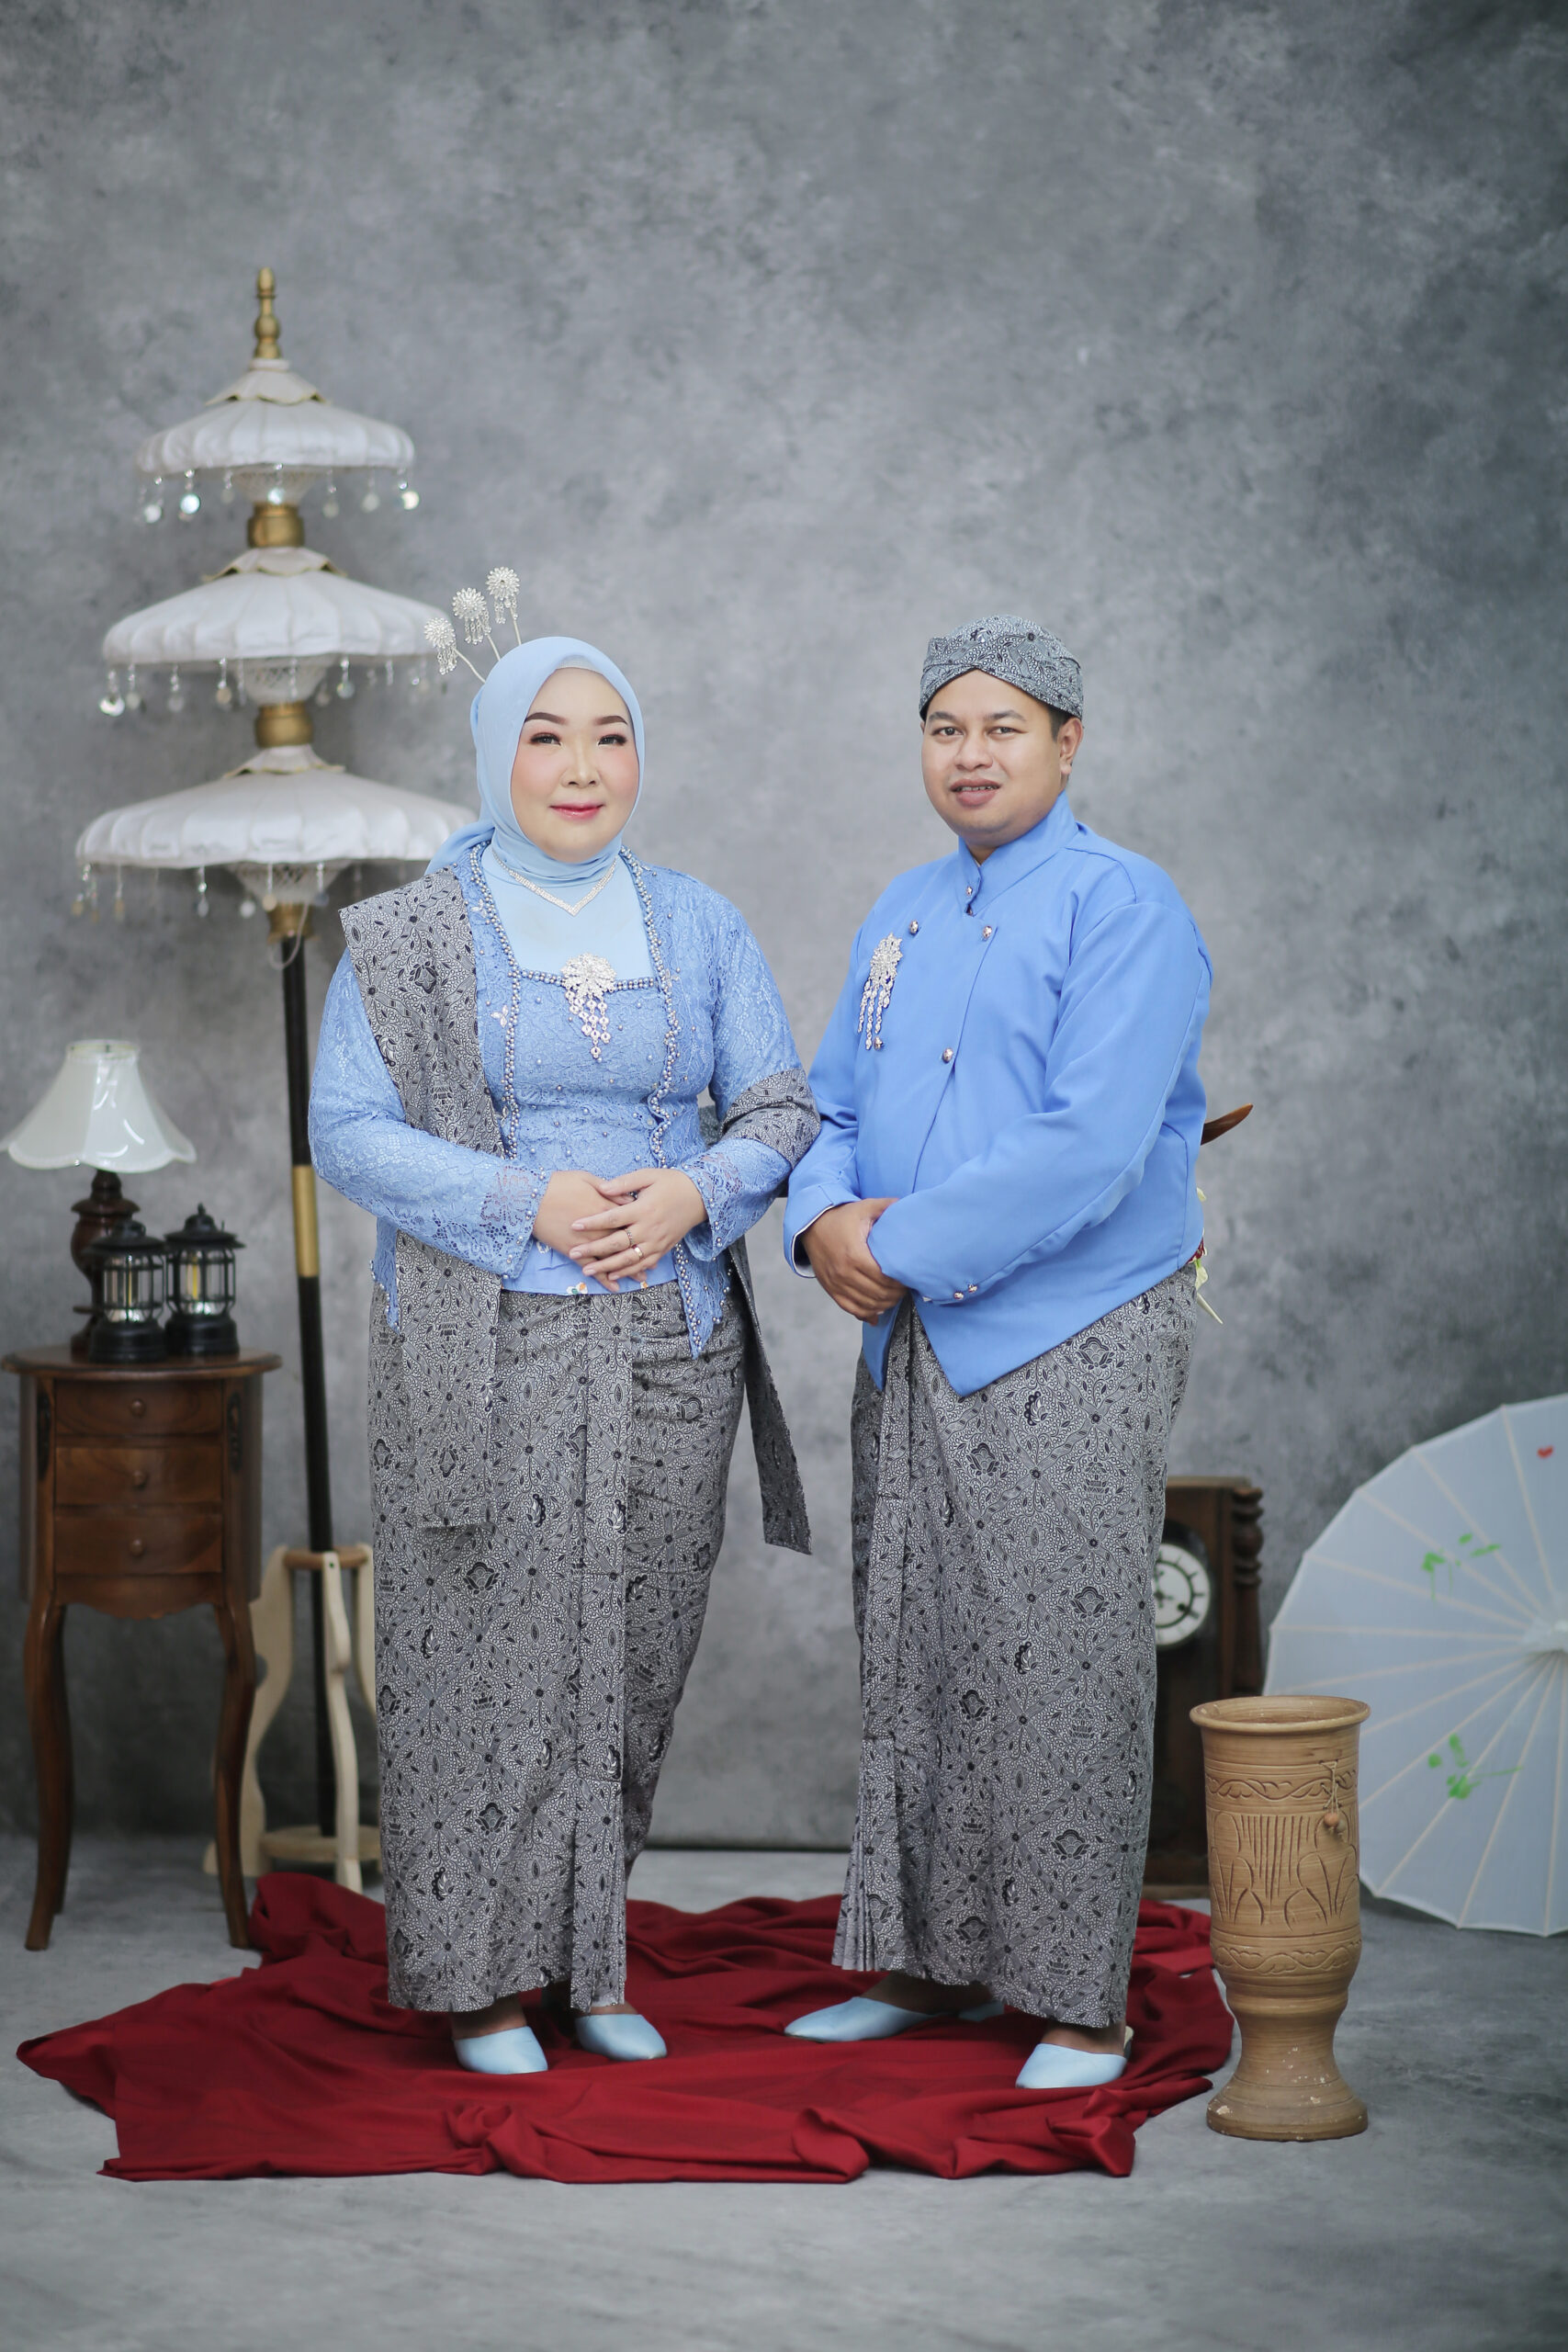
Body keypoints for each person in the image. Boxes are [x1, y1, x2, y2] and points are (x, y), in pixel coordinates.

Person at [310, 630, 817, 2076]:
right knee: (487, 1659)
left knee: (630, 1661)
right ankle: (478, 1981)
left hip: (671, 1338)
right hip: (483, 1340)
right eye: (546, 736)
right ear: (495, 755)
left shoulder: (700, 924)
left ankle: (588, 1962)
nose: (583, 767)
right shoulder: (412, 933)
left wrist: (694, 1193)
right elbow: (346, 1129)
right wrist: (522, 1200)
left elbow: (781, 1108)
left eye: (611, 735)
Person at [782, 615, 1210, 2090]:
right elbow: (832, 1104)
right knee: (916, 1645)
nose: (970, 755)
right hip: (910, 1333)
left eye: (1003, 728)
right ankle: (931, 1967)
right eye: (945, 728)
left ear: (1068, 744)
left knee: (1058, 1662)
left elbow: (1091, 1145)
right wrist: (822, 1219)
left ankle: (1079, 2000)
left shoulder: (1123, 903)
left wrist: (890, 1244)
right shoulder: (901, 909)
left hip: (1070, 1326)